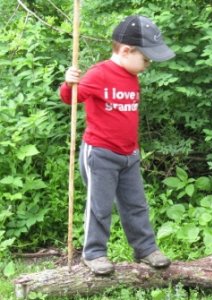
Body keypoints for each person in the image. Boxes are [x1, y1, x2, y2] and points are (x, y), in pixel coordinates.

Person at [60, 15, 175, 275]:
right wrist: (69, 83)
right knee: (99, 206)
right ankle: (94, 253)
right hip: (100, 154)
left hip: (129, 154)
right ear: (126, 50)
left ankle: (145, 249)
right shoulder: (99, 74)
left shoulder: (132, 75)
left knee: (136, 204)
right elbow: (71, 98)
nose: (147, 64)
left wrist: (133, 149)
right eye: (145, 58)